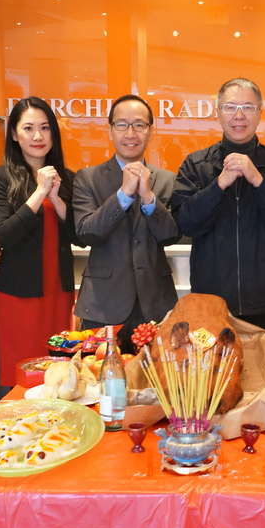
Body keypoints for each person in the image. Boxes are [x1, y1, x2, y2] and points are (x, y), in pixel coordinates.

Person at [171, 78, 265, 331]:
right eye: (230, 107)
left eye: (248, 108)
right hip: (210, 301)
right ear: (218, 114)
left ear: (260, 114)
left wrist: (258, 180)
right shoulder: (196, 165)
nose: (239, 116)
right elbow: (186, 223)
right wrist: (219, 184)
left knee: (262, 370)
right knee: (212, 371)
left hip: (264, 300)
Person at [71, 95, 180, 352]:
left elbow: (171, 235)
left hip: (155, 302)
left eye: (139, 125)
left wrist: (148, 197)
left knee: (153, 384)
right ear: (110, 130)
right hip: (102, 303)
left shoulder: (167, 180)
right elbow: (87, 233)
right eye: (122, 124)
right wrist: (123, 195)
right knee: (100, 383)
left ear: (150, 131)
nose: (130, 133)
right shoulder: (87, 178)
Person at [0, 97, 80, 388]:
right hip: (20, 295)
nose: (37, 136)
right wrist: (40, 192)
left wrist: (56, 196)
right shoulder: (0, 177)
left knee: (61, 374)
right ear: (14, 134)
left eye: (45, 128)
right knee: (23, 376)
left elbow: (79, 235)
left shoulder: (68, 178)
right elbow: (4, 235)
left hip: (59, 291)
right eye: (28, 128)